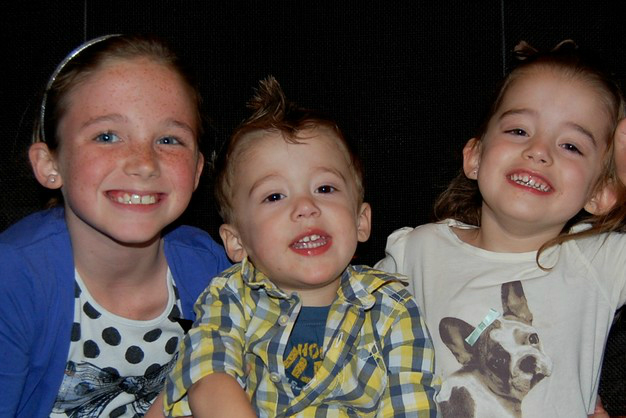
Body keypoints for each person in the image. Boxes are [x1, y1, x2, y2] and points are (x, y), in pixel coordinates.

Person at [375, 40, 626, 418]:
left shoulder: (600, 262)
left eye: (571, 146)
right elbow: (342, 323)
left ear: (601, 192)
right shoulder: (418, 252)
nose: (539, 150)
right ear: (475, 157)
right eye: (519, 131)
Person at [163, 76, 440, 417]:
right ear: (236, 242)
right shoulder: (229, 297)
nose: (306, 207)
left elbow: (411, 404)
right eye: (274, 196)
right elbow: (208, 378)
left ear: (360, 221)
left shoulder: (392, 309)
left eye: (325, 189)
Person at [0, 34, 231, 417]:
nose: (144, 162)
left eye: (169, 139)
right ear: (50, 164)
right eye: (107, 136)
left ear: (196, 171)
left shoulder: (210, 269)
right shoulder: (14, 278)